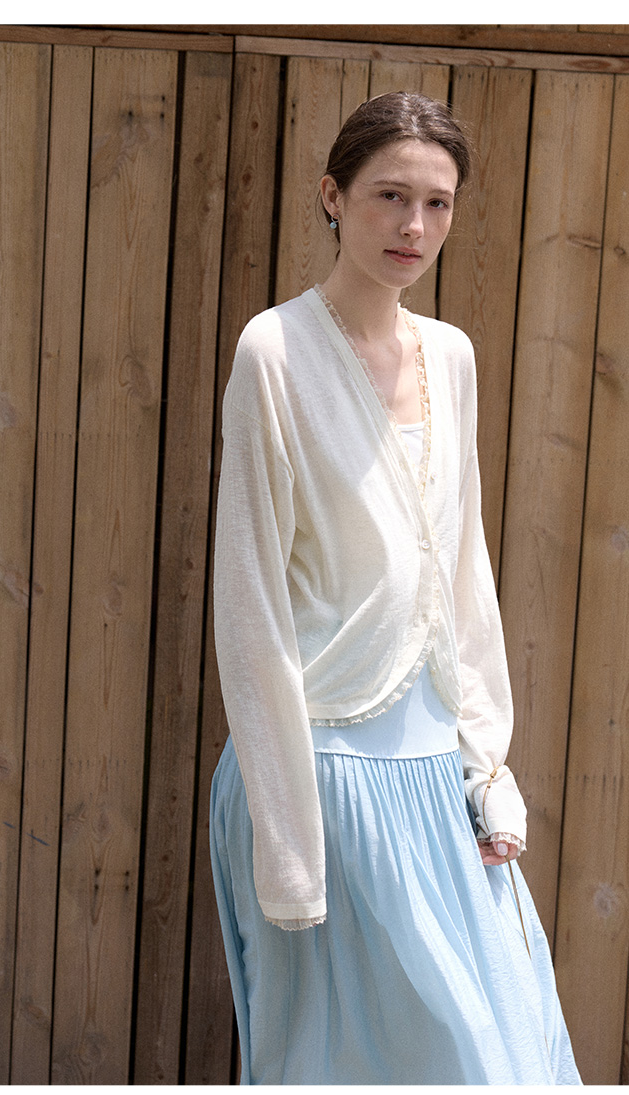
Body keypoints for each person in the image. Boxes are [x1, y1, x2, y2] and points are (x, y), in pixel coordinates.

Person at [210, 91, 581, 1085]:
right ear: (333, 197)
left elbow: (463, 572)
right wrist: (292, 845)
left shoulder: (451, 357)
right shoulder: (273, 352)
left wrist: (486, 771)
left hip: (437, 780)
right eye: (388, 195)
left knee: (506, 1060)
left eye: (437, 203)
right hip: (320, 778)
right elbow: (249, 603)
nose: (413, 225)